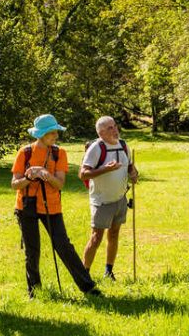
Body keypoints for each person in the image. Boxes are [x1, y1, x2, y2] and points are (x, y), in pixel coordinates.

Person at [13, 114, 101, 298]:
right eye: (51, 133)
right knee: (32, 250)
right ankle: (34, 291)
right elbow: (15, 184)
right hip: (26, 206)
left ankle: (88, 286)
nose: (55, 136)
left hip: (51, 206)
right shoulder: (25, 152)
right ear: (41, 134)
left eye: (56, 132)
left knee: (63, 246)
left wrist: (46, 174)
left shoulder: (59, 153)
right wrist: (29, 177)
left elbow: (60, 184)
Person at [80, 116, 138, 281]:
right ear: (101, 133)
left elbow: (130, 167)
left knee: (114, 234)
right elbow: (82, 173)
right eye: (110, 128)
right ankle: (84, 274)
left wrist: (134, 174)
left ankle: (109, 271)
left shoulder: (124, 145)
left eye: (115, 126)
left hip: (120, 199)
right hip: (102, 201)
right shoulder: (97, 148)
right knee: (96, 237)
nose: (115, 130)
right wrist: (105, 169)